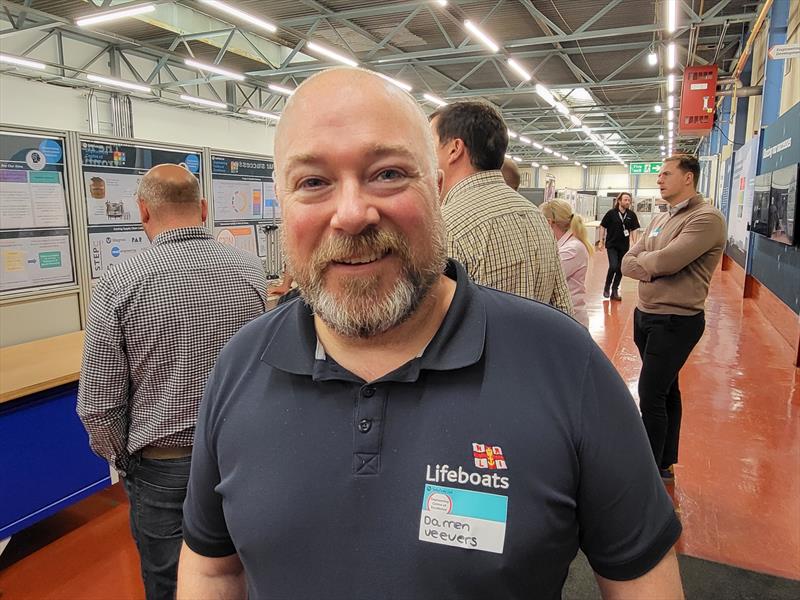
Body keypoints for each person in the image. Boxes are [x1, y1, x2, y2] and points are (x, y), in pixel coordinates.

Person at [177, 67, 684, 600]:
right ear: (283, 201)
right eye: (313, 182)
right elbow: (214, 569)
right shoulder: (239, 367)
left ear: (438, 186)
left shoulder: (565, 365)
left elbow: (642, 582)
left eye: (388, 173)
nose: (351, 214)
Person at [77, 164, 268, 600]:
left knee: (171, 584)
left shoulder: (119, 282)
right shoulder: (249, 269)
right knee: (243, 572)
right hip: (244, 455)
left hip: (165, 467)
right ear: (202, 208)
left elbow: (99, 406)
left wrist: (128, 462)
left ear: (143, 211)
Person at [622, 154, 726, 482]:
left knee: (651, 392)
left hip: (675, 321)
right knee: (667, 390)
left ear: (688, 178)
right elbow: (628, 260)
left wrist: (649, 261)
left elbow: (667, 262)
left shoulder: (706, 219)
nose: (659, 179)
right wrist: (650, 262)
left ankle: (648, 472)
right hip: (647, 315)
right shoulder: (661, 218)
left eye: (666, 173)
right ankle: (665, 462)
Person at [430, 101, 573, 315]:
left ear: (454, 149)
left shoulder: (445, 227)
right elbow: (562, 307)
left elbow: (434, 328)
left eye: (428, 143)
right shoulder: (536, 216)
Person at [541, 199, 593, 327]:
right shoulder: (562, 244)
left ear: (548, 222)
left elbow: (546, 276)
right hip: (562, 317)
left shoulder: (572, 249)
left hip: (571, 319)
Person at [599, 192, 640, 300]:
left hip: (624, 246)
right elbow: (603, 226)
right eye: (625, 200)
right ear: (619, 201)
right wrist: (601, 241)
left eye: (629, 200)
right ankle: (607, 287)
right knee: (613, 266)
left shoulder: (631, 215)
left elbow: (634, 229)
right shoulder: (611, 213)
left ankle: (615, 291)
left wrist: (635, 243)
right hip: (612, 244)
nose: (627, 202)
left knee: (620, 269)